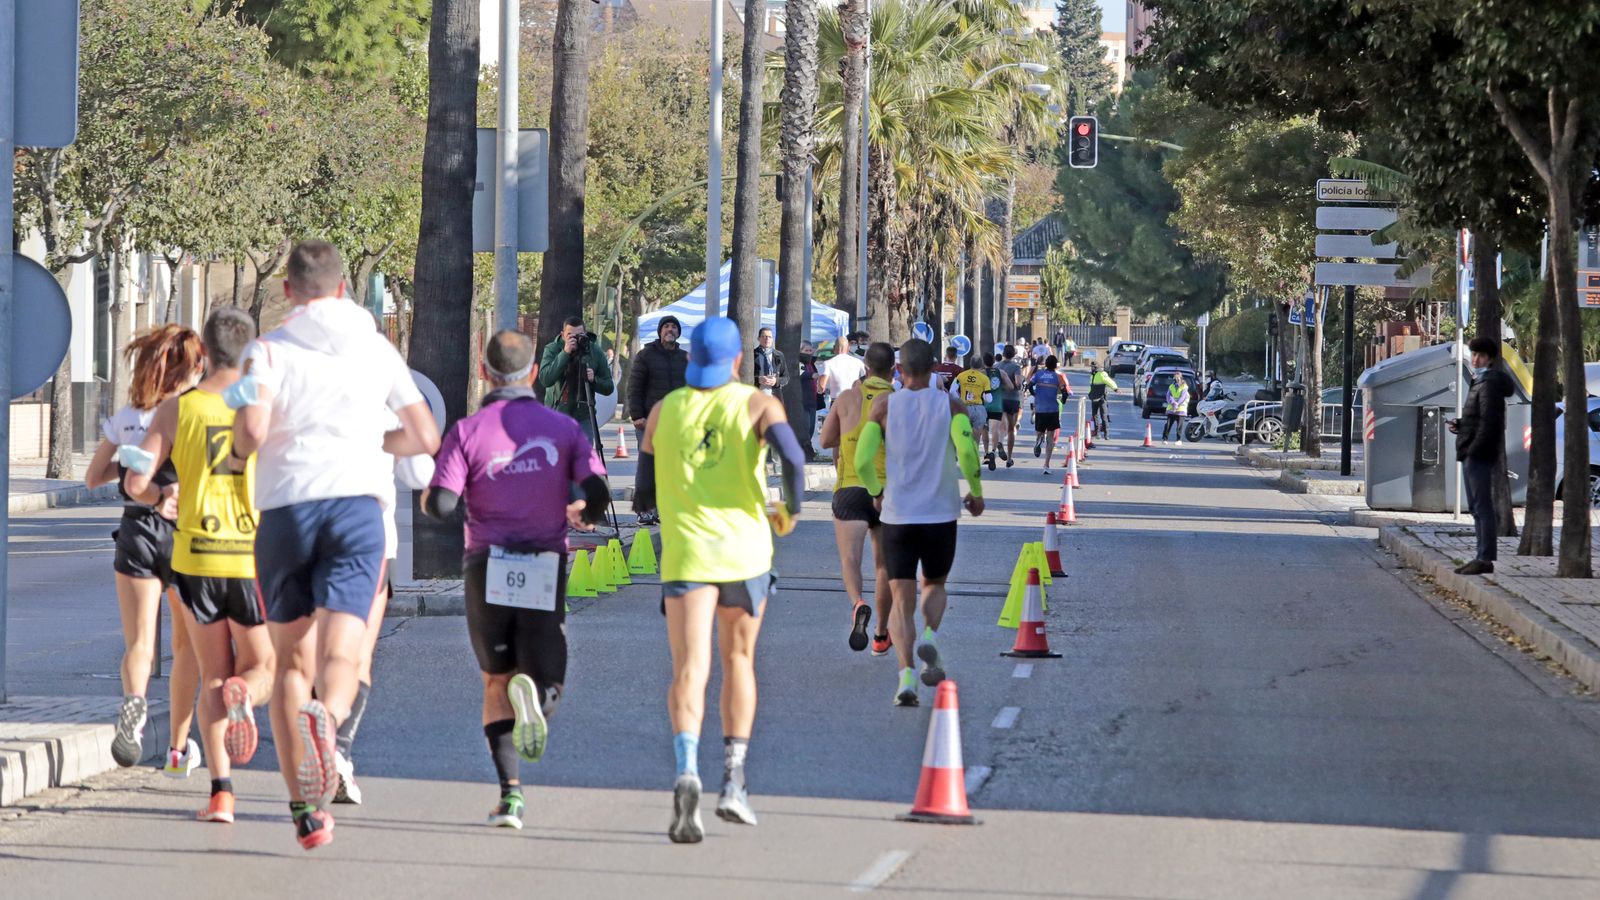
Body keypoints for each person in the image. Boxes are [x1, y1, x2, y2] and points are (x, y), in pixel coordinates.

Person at [227, 240, 440, 850]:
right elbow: (424, 435)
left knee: (291, 664)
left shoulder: (267, 351)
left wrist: (241, 451)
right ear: (344, 288)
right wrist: (373, 442)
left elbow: (253, 430)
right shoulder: (376, 348)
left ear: (288, 291)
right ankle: (331, 717)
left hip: (287, 512)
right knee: (343, 655)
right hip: (356, 513)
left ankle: (304, 810)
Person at [424, 330, 610, 829]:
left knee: (495, 681)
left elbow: (441, 503)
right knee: (547, 678)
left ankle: (510, 795)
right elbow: (596, 491)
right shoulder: (562, 428)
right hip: (544, 561)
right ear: (532, 373)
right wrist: (582, 511)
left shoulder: (467, 431)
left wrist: (435, 494)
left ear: (484, 372)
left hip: (485, 564)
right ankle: (539, 701)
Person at [635, 316, 805, 843]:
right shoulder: (758, 405)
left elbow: (642, 493)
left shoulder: (663, 412)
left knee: (690, 667)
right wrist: (791, 510)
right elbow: (794, 459)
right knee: (738, 660)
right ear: (737, 360)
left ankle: (688, 768)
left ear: (691, 358)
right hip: (744, 555)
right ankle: (733, 780)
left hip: (686, 557)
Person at [124, 309, 273, 826]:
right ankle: (245, 694)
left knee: (212, 675)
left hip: (193, 558)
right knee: (262, 667)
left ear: (203, 353)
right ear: (249, 353)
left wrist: (160, 496)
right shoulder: (261, 406)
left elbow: (135, 481)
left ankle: (221, 794)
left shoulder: (175, 409)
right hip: (248, 554)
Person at [88, 325, 203, 776]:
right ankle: (177, 749)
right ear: (191, 367)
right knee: (186, 646)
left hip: (136, 531)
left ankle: (133, 711)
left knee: (139, 643)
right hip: (184, 531)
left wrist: (133, 465)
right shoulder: (193, 411)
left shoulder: (129, 415)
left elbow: (93, 477)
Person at [853, 339, 984, 707]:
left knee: (901, 600)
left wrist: (876, 491)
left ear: (900, 370)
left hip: (897, 514)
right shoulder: (951, 405)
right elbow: (967, 451)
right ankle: (930, 635)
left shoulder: (883, 406)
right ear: (934, 369)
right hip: (940, 513)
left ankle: (906, 676)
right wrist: (975, 492)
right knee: (935, 585)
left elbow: (862, 460)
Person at [820, 342, 896, 656]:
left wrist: (849, 431)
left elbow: (825, 440)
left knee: (850, 559)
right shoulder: (898, 401)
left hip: (850, 488)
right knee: (884, 566)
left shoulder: (846, 398)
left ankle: (857, 603)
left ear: (865, 367)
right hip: (887, 492)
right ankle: (880, 633)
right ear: (893, 370)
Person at [1449, 338, 1514, 576]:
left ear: (1490, 359)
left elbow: (1489, 422)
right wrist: (1461, 424)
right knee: (1476, 508)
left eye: (1481, 356)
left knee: (1482, 507)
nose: (1475, 359)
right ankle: (1480, 556)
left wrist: (1474, 448)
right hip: (1472, 451)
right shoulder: (1480, 381)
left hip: (1478, 454)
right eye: (1474, 354)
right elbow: (1477, 418)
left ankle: (1485, 558)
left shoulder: (1488, 384)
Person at [628, 315, 688, 524]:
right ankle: (645, 511)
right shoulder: (645, 355)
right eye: (666, 327)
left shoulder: (685, 358)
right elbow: (634, 386)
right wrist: (637, 416)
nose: (670, 330)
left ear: (678, 333)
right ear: (660, 332)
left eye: (674, 327)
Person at [538, 316, 616, 445]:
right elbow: (546, 379)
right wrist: (565, 353)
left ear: (585, 333)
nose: (574, 339)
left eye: (579, 335)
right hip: (557, 414)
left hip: (583, 416)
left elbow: (608, 387)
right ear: (562, 335)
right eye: (570, 335)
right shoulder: (552, 349)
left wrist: (594, 380)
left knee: (583, 455)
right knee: (558, 455)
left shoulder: (594, 351)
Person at [1029, 356, 1069, 475]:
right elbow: (1065, 392)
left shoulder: (1038, 375)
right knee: (1050, 438)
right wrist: (1063, 401)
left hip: (1040, 409)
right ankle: (1046, 465)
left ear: (1046, 364)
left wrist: (1035, 394)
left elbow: (1029, 385)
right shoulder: (1058, 377)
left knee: (1040, 431)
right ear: (1055, 365)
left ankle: (1039, 439)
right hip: (1052, 409)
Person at [951, 355, 994, 462]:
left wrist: (959, 400)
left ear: (970, 364)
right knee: (977, 433)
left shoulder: (961, 375)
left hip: (963, 407)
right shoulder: (984, 378)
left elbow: (952, 391)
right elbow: (989, 399)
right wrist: (983, 395)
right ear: (981, 365)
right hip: (978, 408)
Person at [819, 333, 867, 405]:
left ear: (834, 348)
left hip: (837, 400)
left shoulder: (828, 363)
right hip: (854, 400)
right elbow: (866, 380)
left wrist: (819, 386)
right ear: (848, 348)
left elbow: (822, 386)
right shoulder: (858, 362)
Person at [996, 345, 1024, 466]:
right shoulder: (1016, 367)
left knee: (1001, 425)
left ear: (1003, 353)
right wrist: (1020, 386)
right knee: (1011, 429)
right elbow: (1018, 383)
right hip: (1012, 399)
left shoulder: (997, 366)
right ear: (1013, 355)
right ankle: (1009, 458)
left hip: (999, 399)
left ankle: (1000, 442)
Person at [982, 353, 1010, 469]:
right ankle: (993, 451)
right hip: (997, 405)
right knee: (995, 429)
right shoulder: (1001, 373)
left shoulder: (981, 373)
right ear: (994, 361)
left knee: (984, 429)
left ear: (984, 362)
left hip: (984, 405)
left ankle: (986, 453)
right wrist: (1001, 388)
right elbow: (1011, 386)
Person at [797, 342, 821, 461]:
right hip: (803, 401)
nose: (809, 353)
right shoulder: (799, 363)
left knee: (811, 428)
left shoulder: (811, 363)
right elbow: (799, 375)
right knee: (805, 428)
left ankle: (807, 452)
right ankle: (805, 454)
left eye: (810, 350)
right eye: (806, 350)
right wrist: (811, 375)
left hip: (812, 400)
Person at [752, 326, 788, 397]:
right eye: (764, 336)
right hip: (757, 394)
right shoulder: (752, 354)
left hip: (775, 395)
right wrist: (758, 379)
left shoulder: (779, 355)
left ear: (772, 339)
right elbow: (745, 376)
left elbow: (786, 377)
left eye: (769, 337)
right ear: (758, 338)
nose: (767, 339)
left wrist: (776, 381)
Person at [1088, 362, 1117, 437]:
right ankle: (1097, 432)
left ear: (1096, 367)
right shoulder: (1092, 375)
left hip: (1101, 398)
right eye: (1091, 367)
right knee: (1094, 415)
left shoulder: (1102, 374)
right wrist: (1089, 394)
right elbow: (1091, 386)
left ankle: (1106, 433)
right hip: (1094, 397)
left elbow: (1110, 381)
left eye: (1092, 367)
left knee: (1103, 415)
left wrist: (1115, 388)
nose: (1091, 368)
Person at [1163, 372, 1191, 444]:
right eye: (1175, 377)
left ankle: (1179, 440)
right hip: (1171, 409)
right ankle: (1165, 439)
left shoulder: (1184, 387)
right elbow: (1168, 396)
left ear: (1181, 378)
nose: (1176, 379)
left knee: (1179, 426)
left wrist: (1177, 404)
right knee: (1168, 425)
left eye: (1178, 377)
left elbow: (1183, 397)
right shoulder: (1171, 386)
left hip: (1181, 409)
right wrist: (1173, 403)